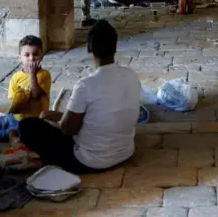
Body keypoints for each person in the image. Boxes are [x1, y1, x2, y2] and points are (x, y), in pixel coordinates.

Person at [19, 21, 141, 174]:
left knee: (27, 126)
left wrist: (55, 117)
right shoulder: (131, 75)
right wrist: (58, 115)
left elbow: (67, 129)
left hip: (89, 161)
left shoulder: (85, 85)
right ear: (115, 47)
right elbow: (100, 116)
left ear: (89, 47)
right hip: (125, 152)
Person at [0, 36, 52, 143]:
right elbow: (12, 102)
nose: (31, 58)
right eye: (27, 55)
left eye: (35, 54)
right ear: (20, 58)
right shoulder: (16, 77)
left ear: (42, 56)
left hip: (31, 121)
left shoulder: (44, 75)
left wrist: (32, 74)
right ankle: (11, 132)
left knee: (25, 135)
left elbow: (35, 94)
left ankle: (10, 134)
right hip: (14, 117)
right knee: (2, 121)